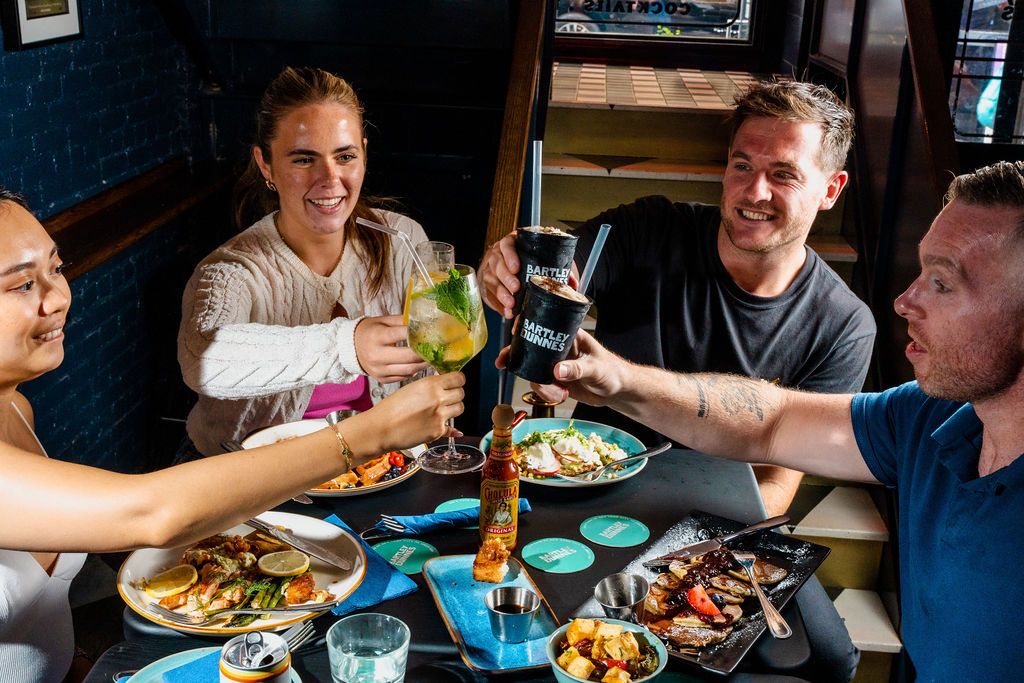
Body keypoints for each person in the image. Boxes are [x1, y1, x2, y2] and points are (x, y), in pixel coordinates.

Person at [515, 161, 1024, 681]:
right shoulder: (925, 414)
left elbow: (775, 476)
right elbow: (772, 422)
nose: (904, 301)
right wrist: (619, 381)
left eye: (941, 283)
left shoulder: (845, 321)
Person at [0, 189, 464, 682]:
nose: (59, 297)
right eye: (23, 285)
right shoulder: (234, 265)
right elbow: (151, 511)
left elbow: (36, 622)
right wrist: (369, 434)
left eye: (56, 267)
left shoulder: (15, 406)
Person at [480, 80, 876, 517]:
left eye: (783, 174)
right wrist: (514, 265)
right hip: (593, 488)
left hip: (713, 519)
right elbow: (562, 275)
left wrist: (691, 554)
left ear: (831, 190)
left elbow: (777, 482)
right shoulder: (649, 227)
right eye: (742, 166)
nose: (754, 192)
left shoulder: (844, 325)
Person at [178, 66, 430, 457]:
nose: (330, 178)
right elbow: (204, 361)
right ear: (265, 164)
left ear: (364, 152)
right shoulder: (232, 269)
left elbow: (437, 358)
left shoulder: (403, 240)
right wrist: (347, 346)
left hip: (379, 471)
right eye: (303, 160)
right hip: (255, 483)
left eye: (345, 156)